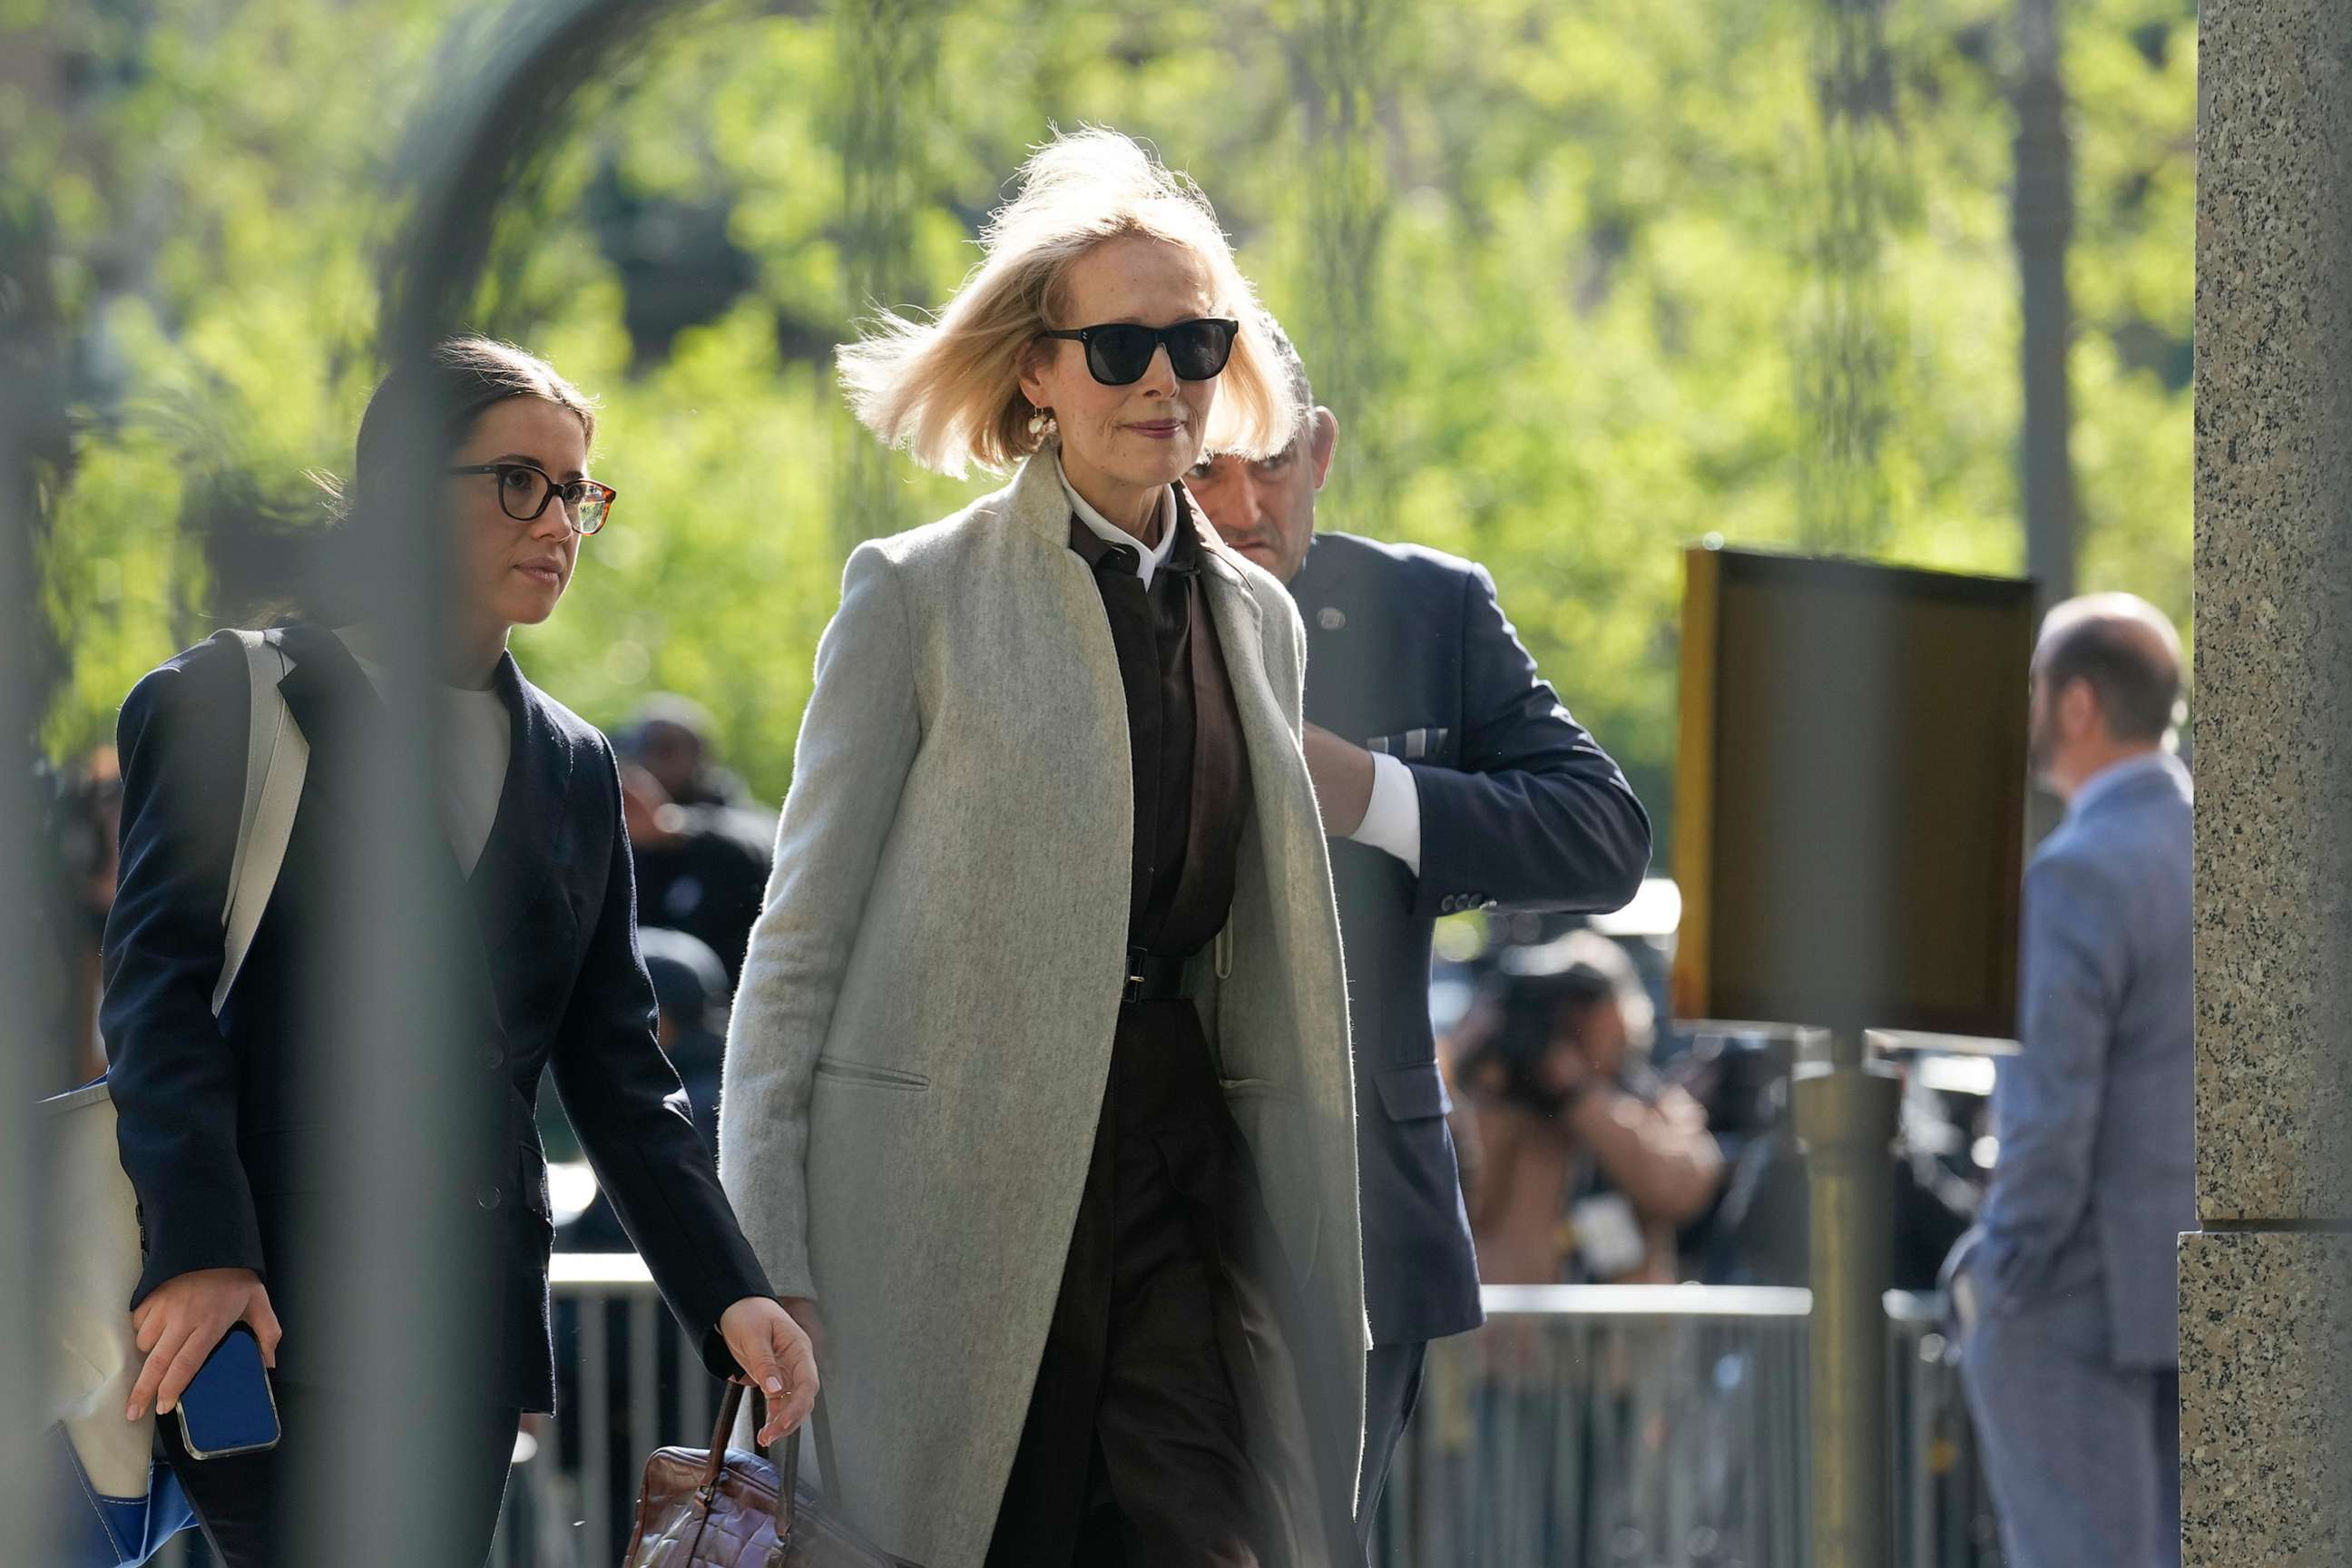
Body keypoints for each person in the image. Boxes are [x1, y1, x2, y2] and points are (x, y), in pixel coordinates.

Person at [720, 129, 1362, 1568]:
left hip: (1183, 1184)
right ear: (1037, 371)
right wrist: (770, 1258)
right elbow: (798, 945)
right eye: (1121, 345)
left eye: (1195, 342)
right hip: (953, 1206)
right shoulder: (913, 597)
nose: (1163, 382)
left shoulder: (1258, 621)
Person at [99, 337, 813, 1567]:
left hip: (464, 1347)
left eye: (578, 490)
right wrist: (205, 1251)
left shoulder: (578, 765)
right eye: (517, 481)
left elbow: (619, 1077)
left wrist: (726, 1289)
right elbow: (154, 1003)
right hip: (262, 1318)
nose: (560, 520)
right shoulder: (230, 703)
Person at [1184, 320, 1652, 1546]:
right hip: (1131, 1213)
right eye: (1206, 471)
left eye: (1271, 460)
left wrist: (1372, 795)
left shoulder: (1427, 609)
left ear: (1323, 451)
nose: (1242, 506)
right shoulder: (1088, 613)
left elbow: (1602, 838)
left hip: (1354, 1224)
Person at [1944, 593, 2192, 1568]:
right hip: (2200, 1294)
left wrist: (1995, 1277)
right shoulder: (2240, 856)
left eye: (2036, 686)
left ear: (2079, 704)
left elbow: (2050, 1119)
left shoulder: (2078, 870)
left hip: (2076, 1298)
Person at [1451, 931, 1722, 1285]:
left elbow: (1684, 1188)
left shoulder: (1648, 1098)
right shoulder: (1501, 1098)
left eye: (1588, 1002)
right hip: (1522, 1329)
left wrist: (1580, 1097)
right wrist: (1489, 1082)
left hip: (1622, 1328)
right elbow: (1467, 1202)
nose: (1575, 1021)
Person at [620, 760, 772, 981]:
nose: (655, 761)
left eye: (667, 749)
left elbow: (755, 837)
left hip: (734, 991)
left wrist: (670, 825)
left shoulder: (732, 830)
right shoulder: (639, 853)